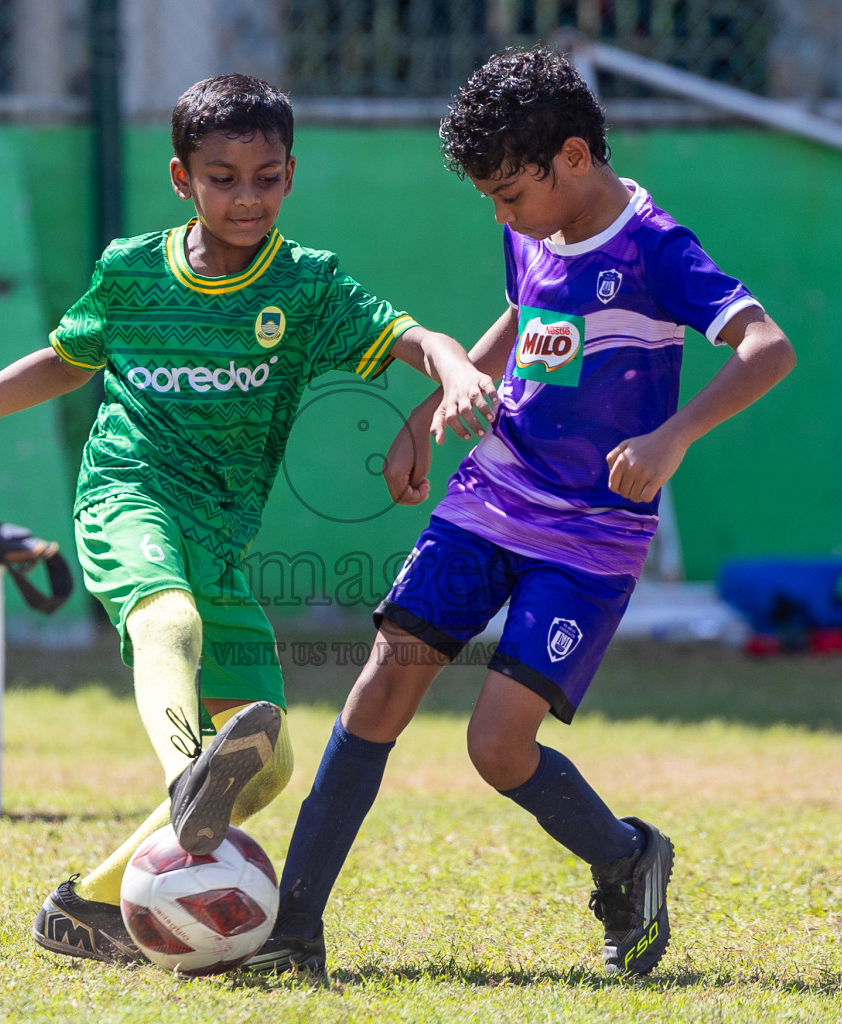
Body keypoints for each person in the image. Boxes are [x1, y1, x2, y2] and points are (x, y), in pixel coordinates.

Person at [0, 74, 497, 966]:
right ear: (181, 178)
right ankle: (185, 773)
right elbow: (66, 359)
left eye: (266, 178)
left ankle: (86, 907)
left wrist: (455, 368)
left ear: (290, 174)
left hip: (221, 541)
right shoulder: (130, 270)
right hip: (126, 495)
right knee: (170, 621)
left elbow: (412, 338)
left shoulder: (306, 285)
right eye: (223, 179)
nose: (247, 198)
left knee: (267, 765)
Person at [242, 48, 795, 980]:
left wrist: (673, 437)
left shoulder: (656, 247)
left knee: (497, 747)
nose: (503, 217)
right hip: (491, 496)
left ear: (572, 158)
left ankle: (628, 857)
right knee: (379, 688)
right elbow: (519, 312)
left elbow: (767, 347)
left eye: (509, 195)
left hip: (592, 536)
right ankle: (294, 929)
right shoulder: (534, 227)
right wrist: (431, 408)